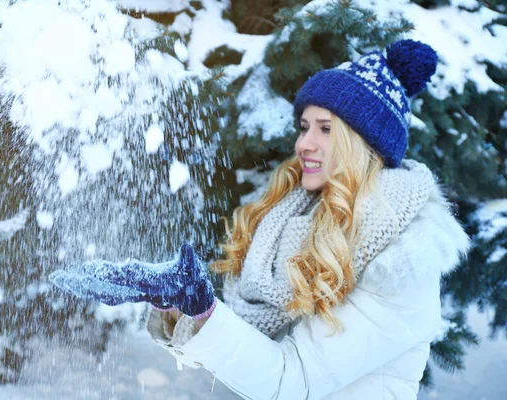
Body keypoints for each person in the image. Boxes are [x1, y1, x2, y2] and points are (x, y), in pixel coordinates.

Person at [50, 39, 471, 400]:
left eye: (325, 129)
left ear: (362, 143)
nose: (304, 142)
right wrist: (178, 303)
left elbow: (292, 379)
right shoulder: (299, 223)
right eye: (304, 126)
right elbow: (255, 356)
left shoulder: (401, 260)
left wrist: (204, 312)